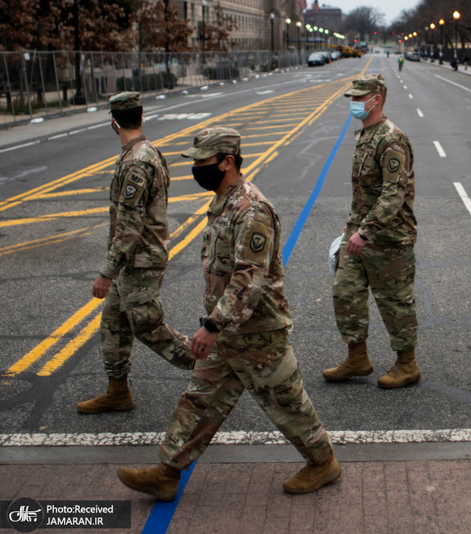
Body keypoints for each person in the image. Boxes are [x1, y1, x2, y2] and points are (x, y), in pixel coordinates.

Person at [117, 128, 340, 499]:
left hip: (258, 332)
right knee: (199, 400)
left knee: (287, 403)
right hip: (227, 332)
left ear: (227, 162)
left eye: (202, 161)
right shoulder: (224, 202)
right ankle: (167, 472)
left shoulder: (251, 208)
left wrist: (212, 325)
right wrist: (217, 326)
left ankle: (323, 463)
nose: (196, 169)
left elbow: (248, 279)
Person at [77, 92, 195, 415]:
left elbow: (130, 226)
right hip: (134, 258)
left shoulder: (135, 162)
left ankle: (213, 366)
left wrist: (107, 272)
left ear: (113, 123)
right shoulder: (147, 152)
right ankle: (118, 392)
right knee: (114, 322)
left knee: (147, 326)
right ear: (142, 117)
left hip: (140, 259)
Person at [324, 74, 420, 389]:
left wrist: (364, 231)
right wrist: (353, 224)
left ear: (375, 99)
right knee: (345, 292)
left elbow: (393, 194)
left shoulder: (391, 139)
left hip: (389, 238)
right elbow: (366, 191)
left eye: (358, 97)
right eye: (352, 97)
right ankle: (357, 358)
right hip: (360, 231)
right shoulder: (366, 134)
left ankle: (407, 364)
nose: (353, 103)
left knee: (394, 302)